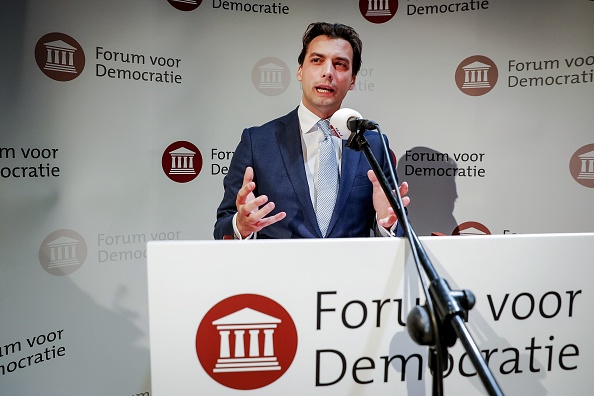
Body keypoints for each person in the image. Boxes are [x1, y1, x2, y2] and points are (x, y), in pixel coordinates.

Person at [214, 22, 409, 240]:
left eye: (340, 64)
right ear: (300, 70)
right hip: (278, 272)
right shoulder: (258, 142)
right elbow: (223, 226)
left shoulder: (373, 144)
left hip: (353, 272)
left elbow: (399, 228)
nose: (327, 72)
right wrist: (241, 225)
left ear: (352, 80)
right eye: (317, 61)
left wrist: (388, 225)